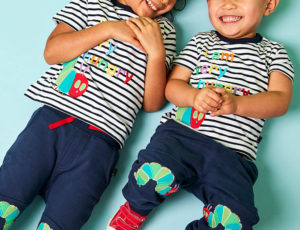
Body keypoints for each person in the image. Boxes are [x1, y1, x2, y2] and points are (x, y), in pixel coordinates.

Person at [107, 0, 294, 229]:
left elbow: (280, 100)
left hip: (232, 157)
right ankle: (133, 211)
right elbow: (173, 86)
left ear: (269, 5)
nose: (228, 4)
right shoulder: (201, 41)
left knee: (236, 219)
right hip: (181, 137)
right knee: (152, 172)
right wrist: (194, 97)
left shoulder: (274, 52)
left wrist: (237, 105)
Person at [0, 0, 186, 229]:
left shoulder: (164, 31)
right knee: (5, 197)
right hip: (50, 125)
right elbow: (52, 52)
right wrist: (108, 28)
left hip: (100, 146)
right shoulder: (90, 4)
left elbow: (152, 103)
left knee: (64, 222)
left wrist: (157, 53)